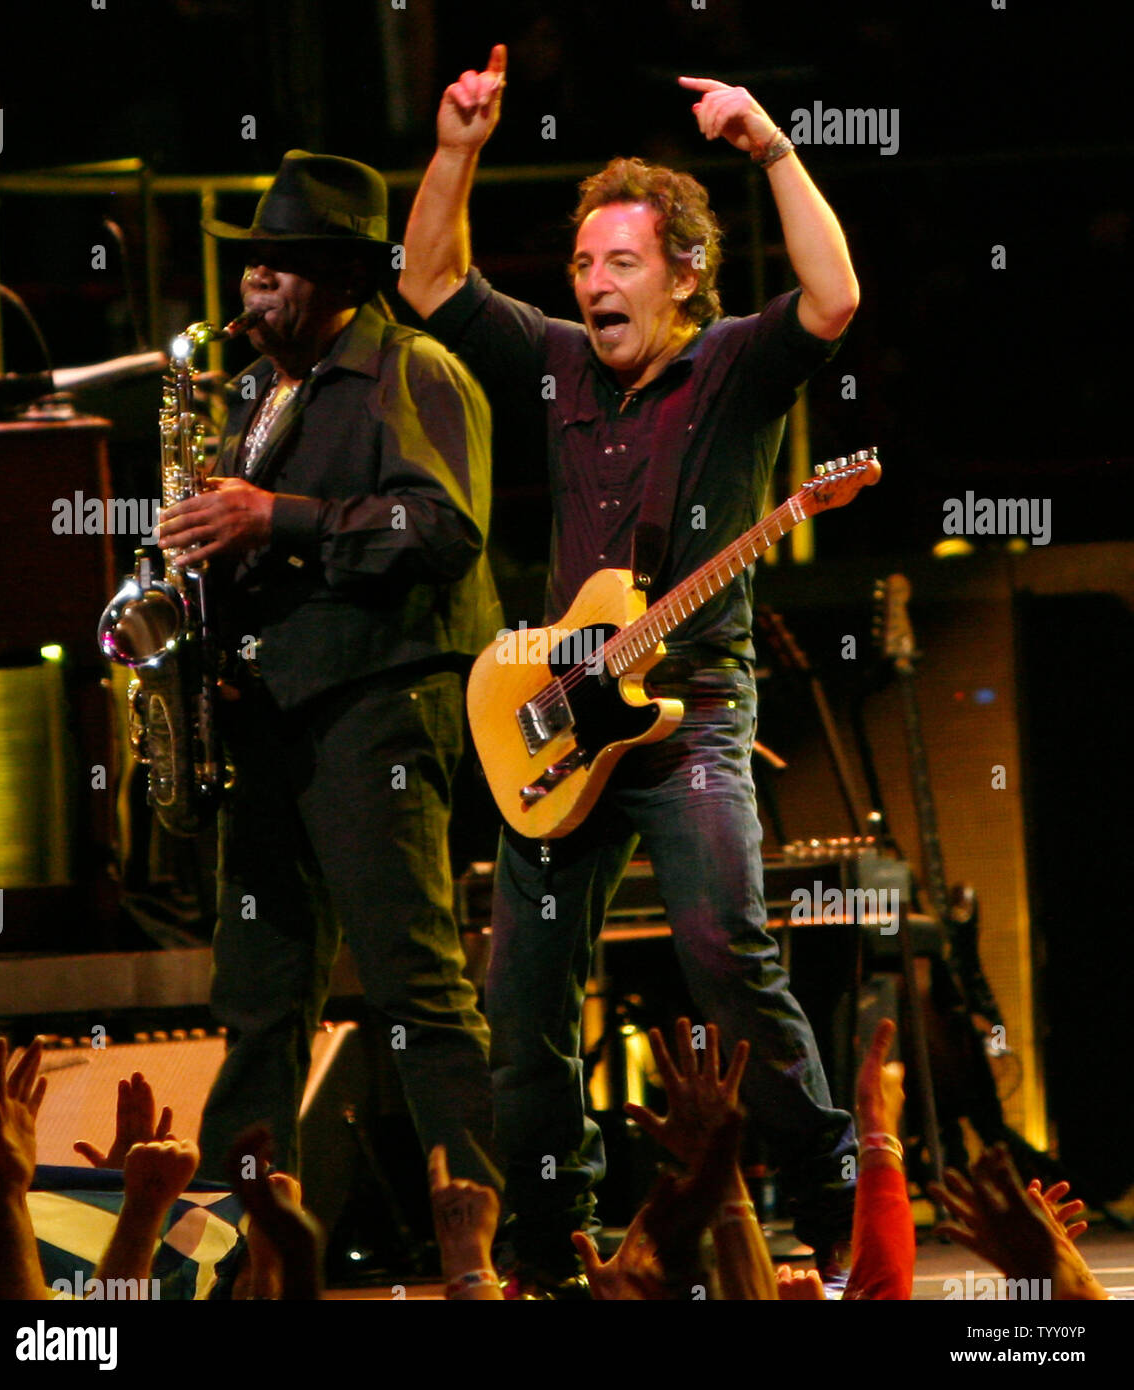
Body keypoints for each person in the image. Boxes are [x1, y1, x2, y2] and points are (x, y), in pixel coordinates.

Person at [400, 46, 860, 1292]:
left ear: (681, 275)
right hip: (559, 721)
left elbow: (831, 297)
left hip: (689, 711)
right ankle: (555, 1246)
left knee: (725, 948)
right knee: (525, 992)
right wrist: (455, 150)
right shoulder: (551, 362)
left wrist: (766, 142)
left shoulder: (733, 366)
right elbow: (430, 280)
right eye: (583, 265)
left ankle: (834, 1204)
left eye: (620, 265)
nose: (593, 284)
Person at [159, 150, 501, 1190]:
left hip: (376, 706)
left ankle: (494, 1240)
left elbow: (444, 527)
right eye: (250, 263)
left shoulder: (414, 371)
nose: (253, 283)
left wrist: (278, 518)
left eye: (280, 264)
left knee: (416, 986)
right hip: (271, 714)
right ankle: (232, 1249)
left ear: (345, 278)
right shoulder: (258, 394)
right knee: (258, 998)